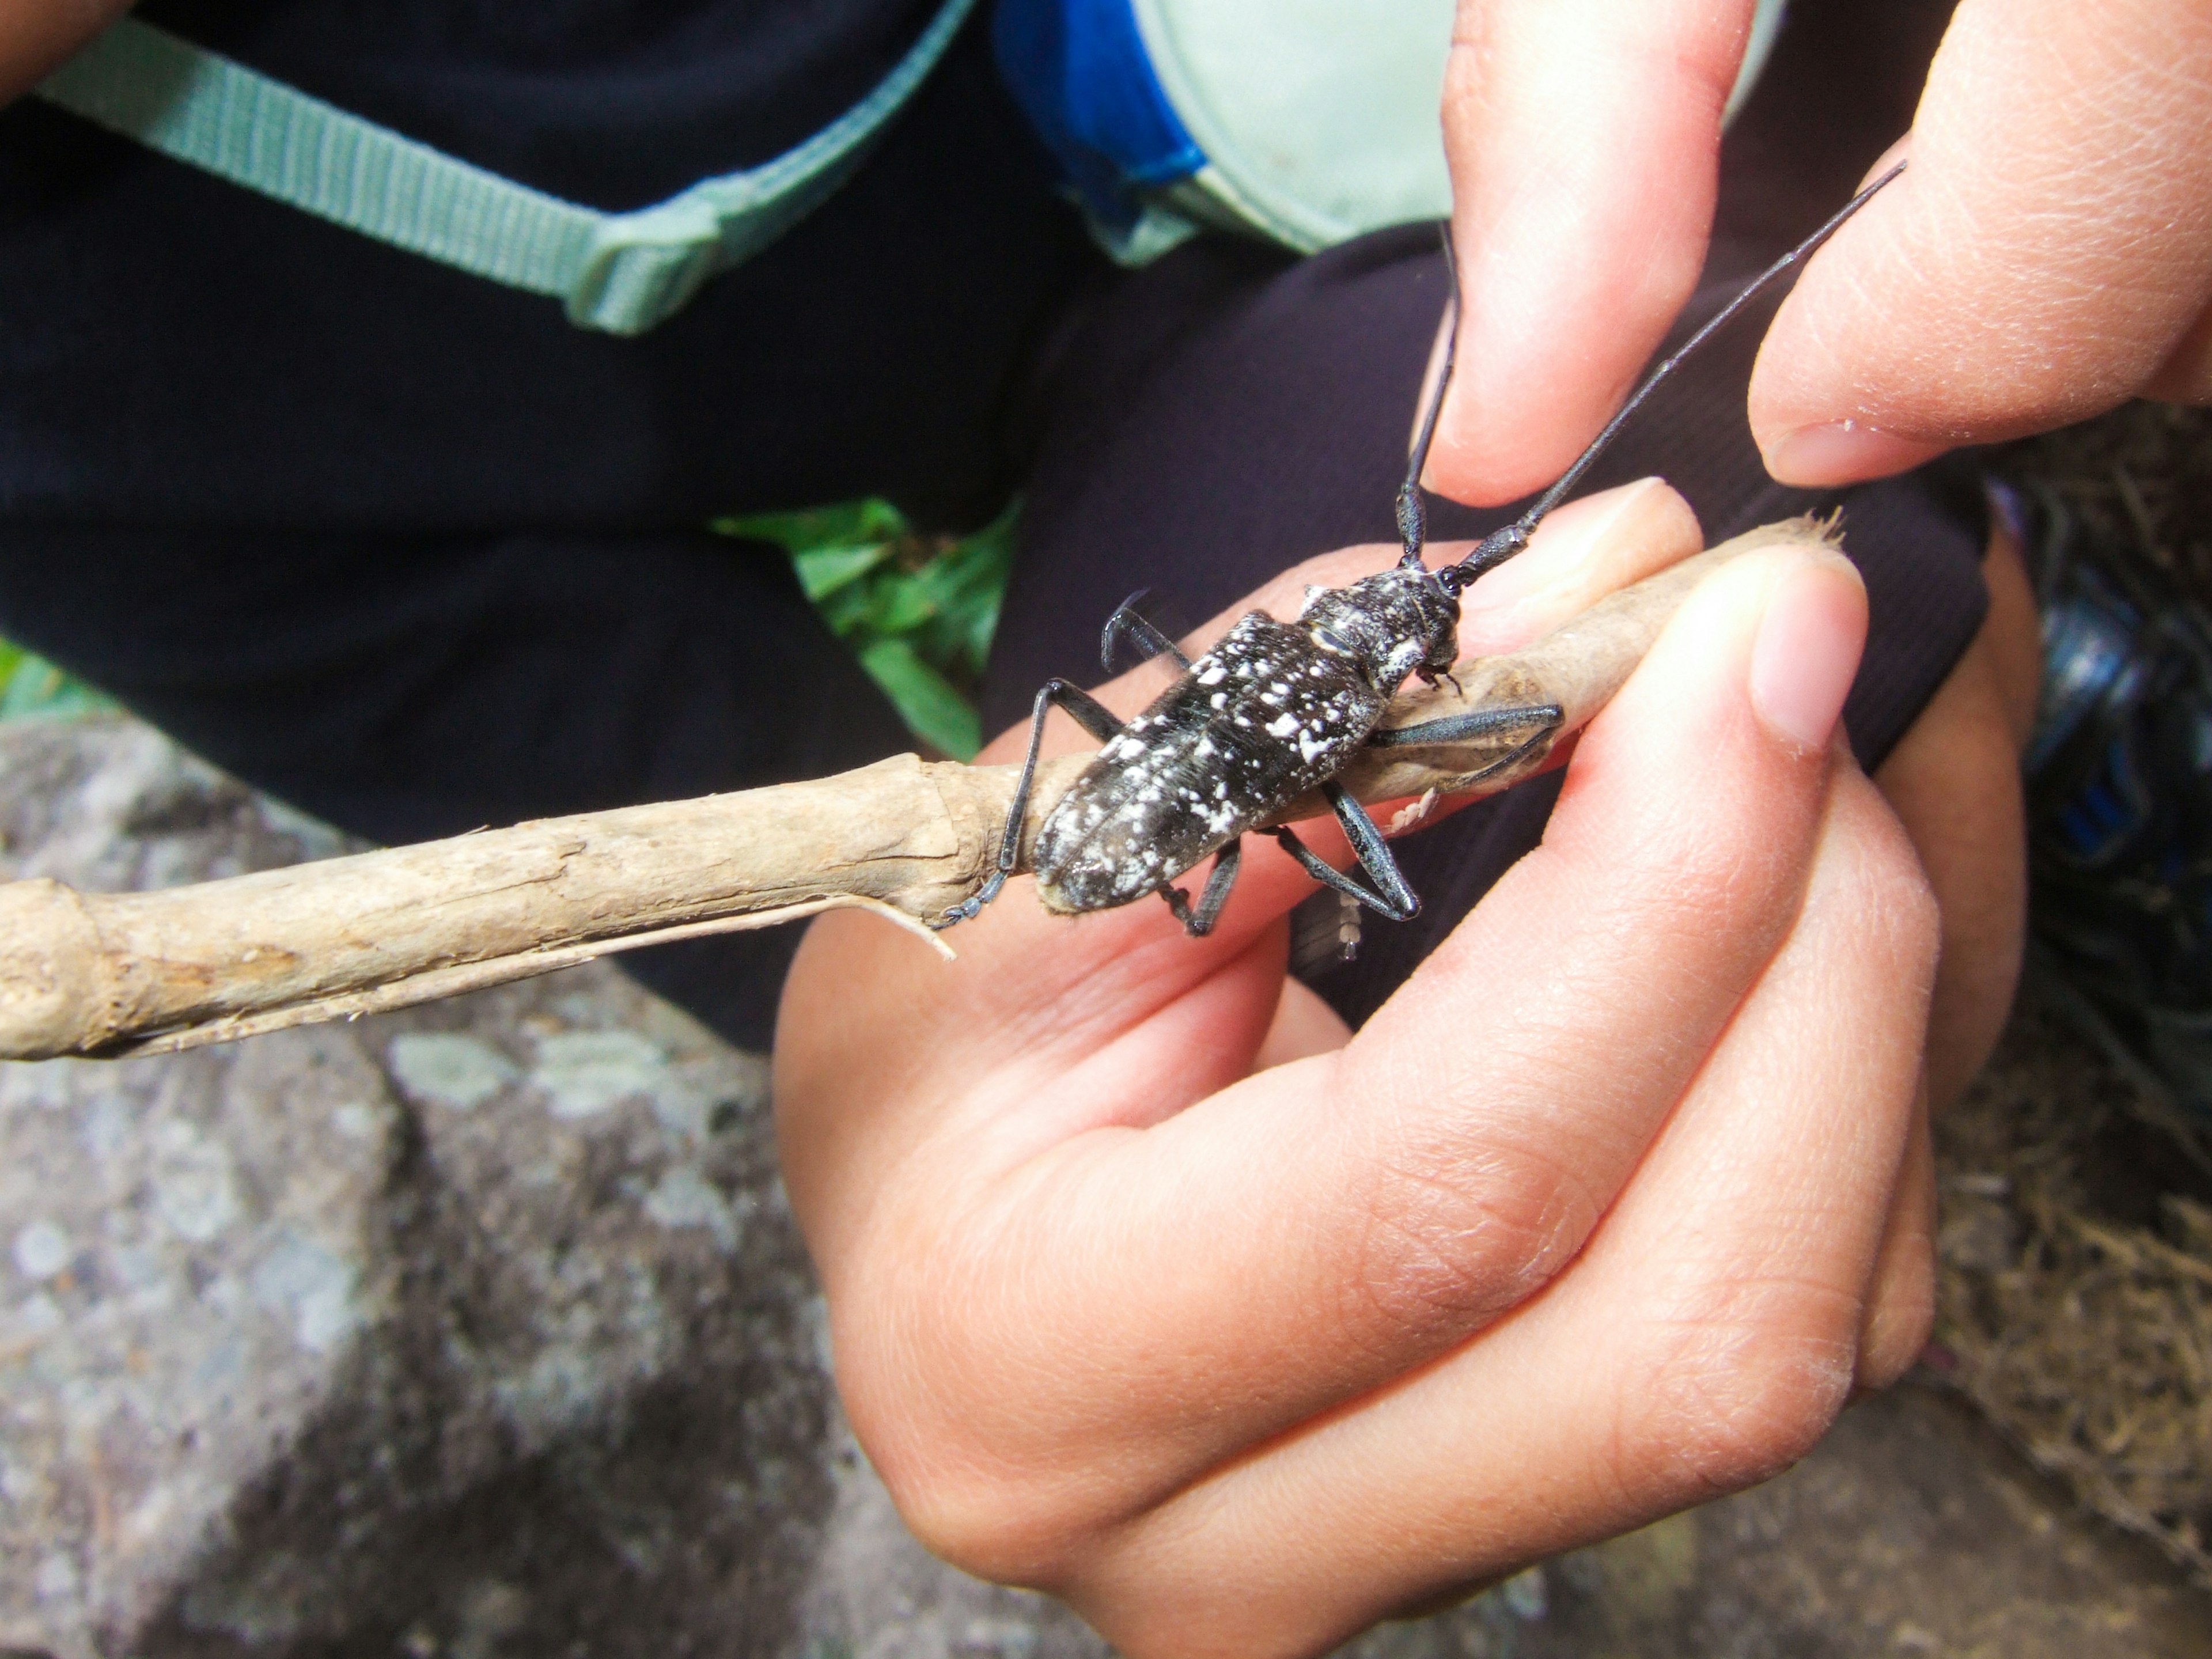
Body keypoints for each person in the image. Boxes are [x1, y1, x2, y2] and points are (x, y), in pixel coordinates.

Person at [774, 0, 2210, 1653]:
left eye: (1416, 619)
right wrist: (866, 1060)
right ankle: (2014, 636)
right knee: (1452, 939)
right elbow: (1285, 757)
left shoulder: (1334, 669)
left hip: (1219, 297)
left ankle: (1996, 594)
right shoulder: (1351, 694)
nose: (1421, 612)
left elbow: (1268, 707)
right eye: (1414, 622)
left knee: (1681, 534)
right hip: (1131, 672)